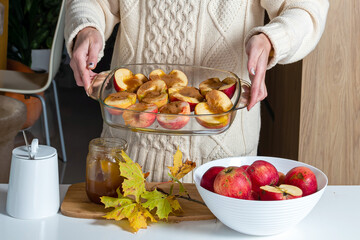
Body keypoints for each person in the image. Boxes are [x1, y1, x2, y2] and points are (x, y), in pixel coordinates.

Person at [65, 0, 329, 183]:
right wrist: (87, 27)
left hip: (220, 164)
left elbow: (307, 8)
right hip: (126, 151)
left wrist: (273, 38)